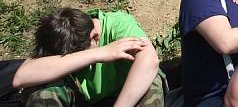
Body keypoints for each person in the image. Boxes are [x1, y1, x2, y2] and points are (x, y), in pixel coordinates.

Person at [25, 7, 164, 107]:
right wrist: (100, 53)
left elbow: (149, 61)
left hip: (124, 96)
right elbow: (21, 77)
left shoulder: (117, 25)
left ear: (95, 37)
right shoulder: (60, 40)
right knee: (41, 89)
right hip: (82, 99)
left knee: (150, 81)